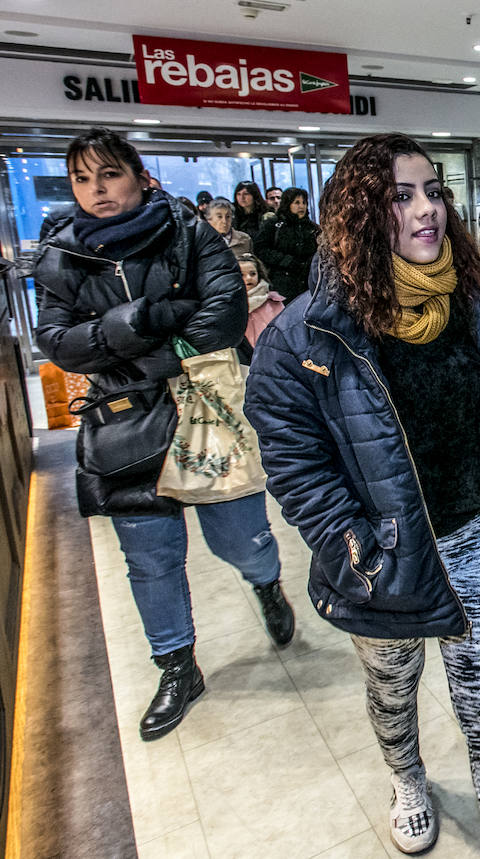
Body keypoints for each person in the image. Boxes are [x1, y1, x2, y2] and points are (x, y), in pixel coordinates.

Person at [245, 133, 480, 856]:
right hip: (383, 556)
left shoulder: (477, 297)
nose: (426, 209)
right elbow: (291, 457)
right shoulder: (307, 333)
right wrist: (354, 546)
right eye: (401, 196)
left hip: (472, 536)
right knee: (392, 689)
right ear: (359, 213)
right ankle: (407, 776)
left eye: (433, 191)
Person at [33, 127, 295, 743]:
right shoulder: (60, 254)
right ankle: (177, 666)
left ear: (139, 174)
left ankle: (266, 582)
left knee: (242, 539)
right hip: (122, 421)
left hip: (205, 415)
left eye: (108, 175)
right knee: (149, 559)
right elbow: (57, 342)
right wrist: (146, 321)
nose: (96, 190)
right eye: (81, 179)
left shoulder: (187, 232)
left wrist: (121, 345)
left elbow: (223, 317)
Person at [254, 186, 319, 302]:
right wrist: (286, 260)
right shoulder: (274, 225)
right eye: (297, 202)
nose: (301, 206)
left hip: (307, 281)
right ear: (287, 204)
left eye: (304, 203)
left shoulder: (313, 228)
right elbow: (261, 250)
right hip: (282, 282)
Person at [237, 252, 285, 347]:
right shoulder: (227, 304)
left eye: (253, 274)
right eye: (242, 274)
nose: (248, 278)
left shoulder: (274, 302)